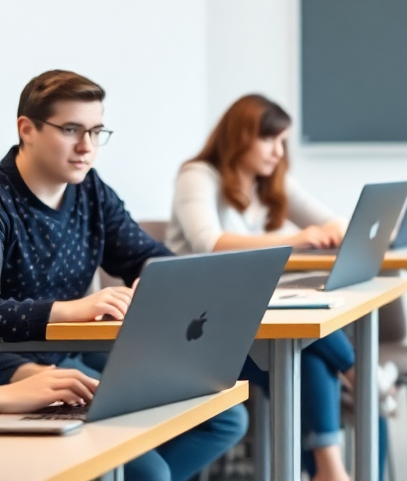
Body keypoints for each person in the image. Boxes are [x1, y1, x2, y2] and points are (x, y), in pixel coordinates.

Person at [0, 70, 246, 481]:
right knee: (151, 472)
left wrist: (161, 279)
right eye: (71, 130)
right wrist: (68, 310)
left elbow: (145, 255)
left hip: (70, 351)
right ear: (27, 129)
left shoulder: (89, 189)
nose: (87, 147)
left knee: (224, 418)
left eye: (96, 132)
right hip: (12, 361)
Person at [166, 94, 385, 481]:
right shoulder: (198, 175)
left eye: (282, 141)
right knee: (317, 355)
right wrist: (295, 239)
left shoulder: (270, 181)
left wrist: (334, 230)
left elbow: (334, 221)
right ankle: (360, 374)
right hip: (204, 334)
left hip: (254, 324)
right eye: (269, 139)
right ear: (240, 137)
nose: (278, 152)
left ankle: (330, 470)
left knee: (307, 356)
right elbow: (209, 242)